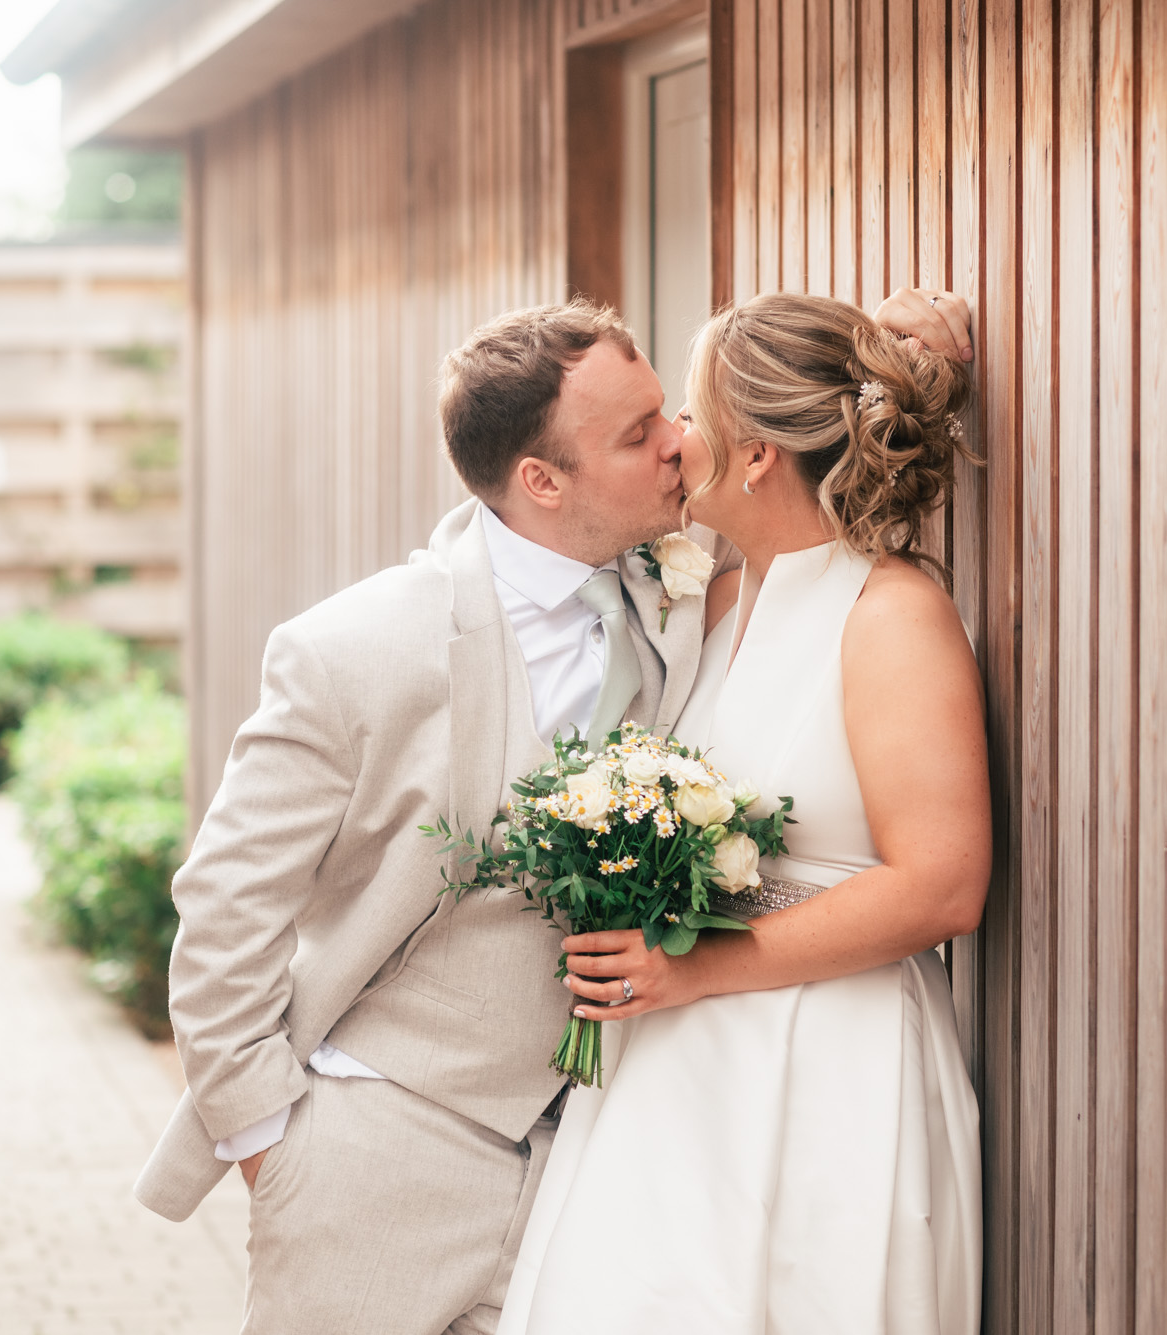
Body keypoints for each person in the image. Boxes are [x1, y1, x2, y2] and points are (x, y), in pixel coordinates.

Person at [136, 292, 971, 1335]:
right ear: (540, 480)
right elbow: (222, 913)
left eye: (672, 412)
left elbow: (786, 421)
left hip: (615, 1145)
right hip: (382, 1153)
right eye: (638, 433)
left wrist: (891, 350)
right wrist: (273, 1143)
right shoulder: (354, 650)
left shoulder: (688, 582)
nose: (677, 443)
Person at [496, 290, 988, 1334]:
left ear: (757, 453)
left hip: (830, 1059)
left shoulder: (890, 615)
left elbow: (942, 885)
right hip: (677, 1068)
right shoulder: (713, 598)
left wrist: (690, 969)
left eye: (687, 415)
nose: (671, 441)